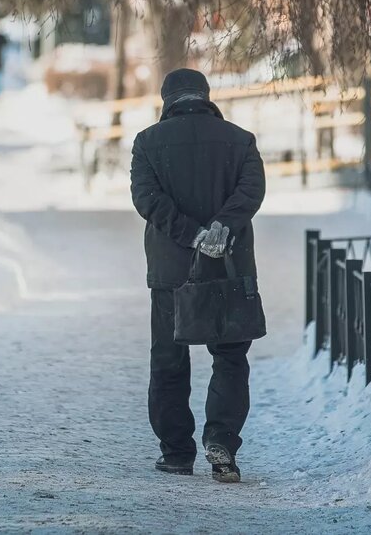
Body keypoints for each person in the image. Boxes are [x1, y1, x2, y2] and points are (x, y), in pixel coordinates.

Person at [129, 68, 266, 483]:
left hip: (173, 272)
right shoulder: (240, 141)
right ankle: (222, 439)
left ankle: (176, 453)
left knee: (169, 359)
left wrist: (192, 235)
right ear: (206, 97)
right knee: (229, 357)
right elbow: (251, 191)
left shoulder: (148, 142)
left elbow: (146, 198)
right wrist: (220, 228)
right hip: (230, 268)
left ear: (166, 100)